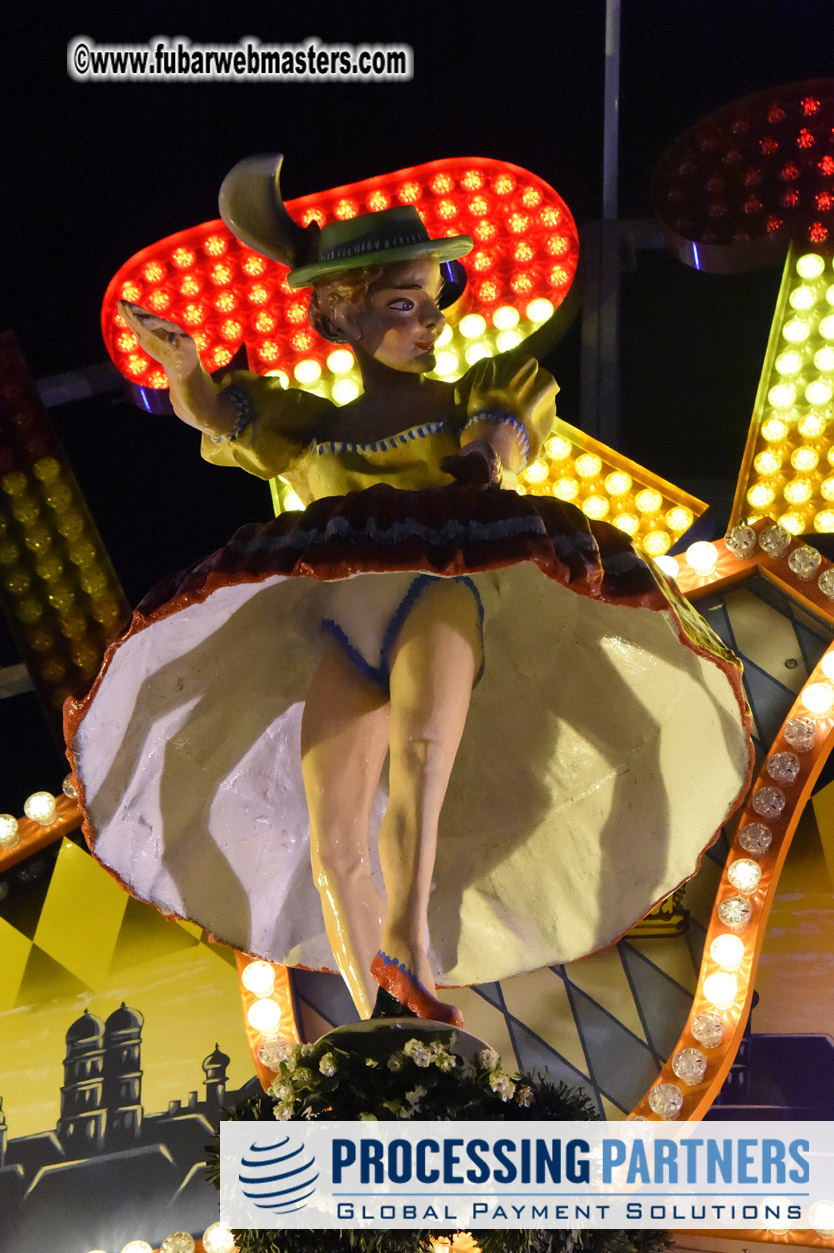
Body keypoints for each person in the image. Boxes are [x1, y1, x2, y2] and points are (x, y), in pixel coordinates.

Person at [65, 156, 753, 1028]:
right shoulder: (311, 430)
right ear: (342, 313)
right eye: (402, 303)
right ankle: (376, 1023)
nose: (427, 321)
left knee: (422, 764)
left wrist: (479, 462)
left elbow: (501, 432)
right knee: (335, 830)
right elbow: (222, 417)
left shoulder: (469, 400)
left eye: (432, 300)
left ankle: (410, 947)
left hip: (439, 587)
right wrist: (187, 369)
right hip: (339, 626)